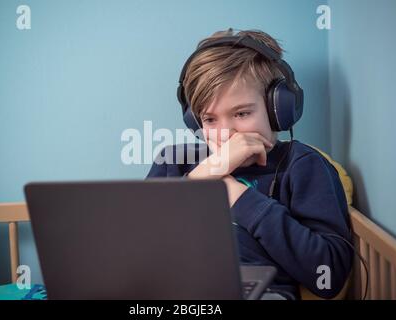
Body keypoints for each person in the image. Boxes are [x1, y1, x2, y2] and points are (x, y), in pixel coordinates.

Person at [146, 28, 352, 300]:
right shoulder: (174, 162)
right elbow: (137, 246)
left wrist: (237, 195)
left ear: (278, 109)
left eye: (242, 113)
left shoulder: (302, 166)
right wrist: (206, 176)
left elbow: (328, 277)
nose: (226, 133)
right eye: (209, 120)